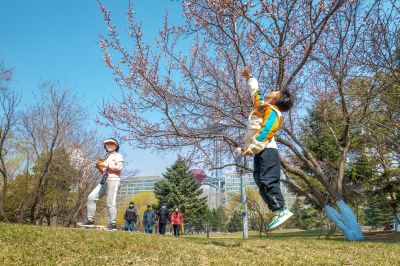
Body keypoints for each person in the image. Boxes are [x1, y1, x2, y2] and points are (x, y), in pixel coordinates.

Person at [238, 67, 294, 230]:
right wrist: (250, 78)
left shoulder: (274, 112)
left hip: (267, 149)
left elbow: (266, 131)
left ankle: (281, 209)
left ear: (277, 99)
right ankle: (277, 211)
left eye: (275, 92)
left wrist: (253, 147)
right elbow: (255, 93)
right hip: (260, 150)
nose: (272, 91)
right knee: (260, 181)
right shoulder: (263, 107)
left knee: (268, 180)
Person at [82, 138, 124, 230]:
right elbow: (104, 171)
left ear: (116, 146)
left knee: (110, 202)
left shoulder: (118, 155)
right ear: (105, 146)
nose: (109, 145)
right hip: (104, 180)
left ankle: (112, 224)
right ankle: (90, 221)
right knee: (91, 197)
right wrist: (100, 167)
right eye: (107, 144)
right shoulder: (106, 156)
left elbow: (119, 168)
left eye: (112, 144)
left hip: (114, 180)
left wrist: (107, 165)